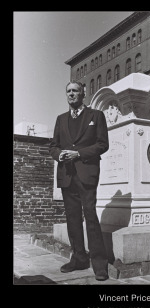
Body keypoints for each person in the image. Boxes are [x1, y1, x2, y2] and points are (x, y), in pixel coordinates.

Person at [49, 81, 109, 281]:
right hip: (67, 175)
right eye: (68, 91)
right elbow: (53, 146)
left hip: (87, 174)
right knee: (72, 218)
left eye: (75, 91)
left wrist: (79, 153)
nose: (71, 94)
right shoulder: (61, 119)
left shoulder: (96, 116)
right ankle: (79, 258)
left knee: (90, 216)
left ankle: (99, 264)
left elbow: (103, 144)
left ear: (83, 93)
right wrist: (60, 155)